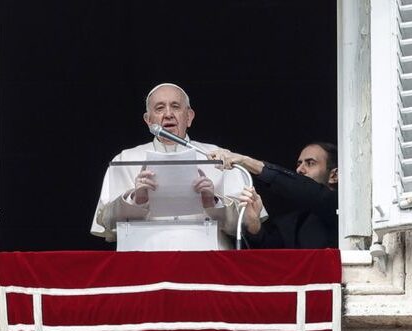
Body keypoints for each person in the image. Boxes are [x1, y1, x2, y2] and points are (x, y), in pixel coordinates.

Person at [90, 83, 248, 249]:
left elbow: (245, 225)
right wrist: (136, 199)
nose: (168, 114)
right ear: (148, 120)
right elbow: (107, 224)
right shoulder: (125, 159)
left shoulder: (218, 157)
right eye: (159, 108)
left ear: (189, 116)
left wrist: (212, 202)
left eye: (175, 106)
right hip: (144, 260)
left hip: (207, 263)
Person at [208, 143, 338, 248]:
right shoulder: (293, 220)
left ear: (334, 175)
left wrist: (246, 161)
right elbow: (271, 251)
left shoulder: (341, 208)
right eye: (299, 164)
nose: (299, 170)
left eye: (310, 163)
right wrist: (254, 225)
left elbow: (309, 191)